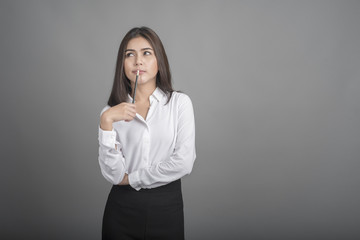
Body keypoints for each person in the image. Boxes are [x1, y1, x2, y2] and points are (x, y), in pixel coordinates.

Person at [98, 26, 196, 240]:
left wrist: (132, 178)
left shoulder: (179, 104)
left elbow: (184, 162)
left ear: (158, 60)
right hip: (121, 209)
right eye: (129, 55)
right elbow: (114, 176)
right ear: (122, 64)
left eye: (146, 53)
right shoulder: (110, 113)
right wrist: (105, 122)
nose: (138, 61)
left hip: (166, 208)